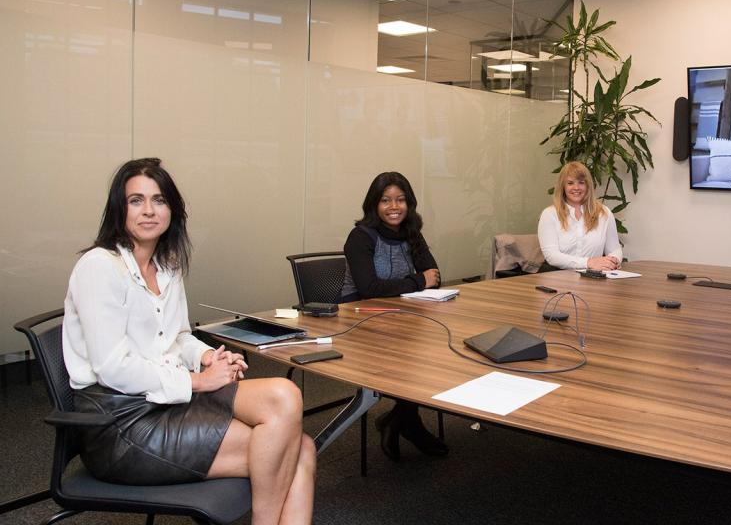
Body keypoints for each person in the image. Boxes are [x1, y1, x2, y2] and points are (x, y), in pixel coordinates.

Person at [62, 158, 315, 525]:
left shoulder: (166, 265)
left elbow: (178, 336)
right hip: (122, 424)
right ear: (119, 208)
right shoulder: (100, 267)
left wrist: (209, 356)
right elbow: (112, 367)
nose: (148, 210)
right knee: (299, 449)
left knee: (285, 396)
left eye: (159, 200)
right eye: (136, 200)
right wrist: (197, 381)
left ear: (172, 210)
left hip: (167, 402)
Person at [339, 171, 447, 460]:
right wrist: (417, 280)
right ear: (374, 204)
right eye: (386, 200)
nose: (394, 206)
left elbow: (435, 276)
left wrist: (419, 281)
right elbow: (370, 289)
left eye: (400, 200)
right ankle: (406, 422)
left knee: (435, 349)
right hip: (361, 320)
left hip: (403, 314)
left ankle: (399, 419)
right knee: (411, 353)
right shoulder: (360, 237)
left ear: (409, 203)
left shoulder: (412, 232)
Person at [537, 161, 623, 271]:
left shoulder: (604, 213)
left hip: (592, 277)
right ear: (562, 186)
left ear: (588, 185)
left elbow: (614, 249)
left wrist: (613, 260)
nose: (576, 187)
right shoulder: (549, 214)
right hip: (556, 276)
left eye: (581, 182)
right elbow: (552, 256)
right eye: (570, 183)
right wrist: (588, 263)